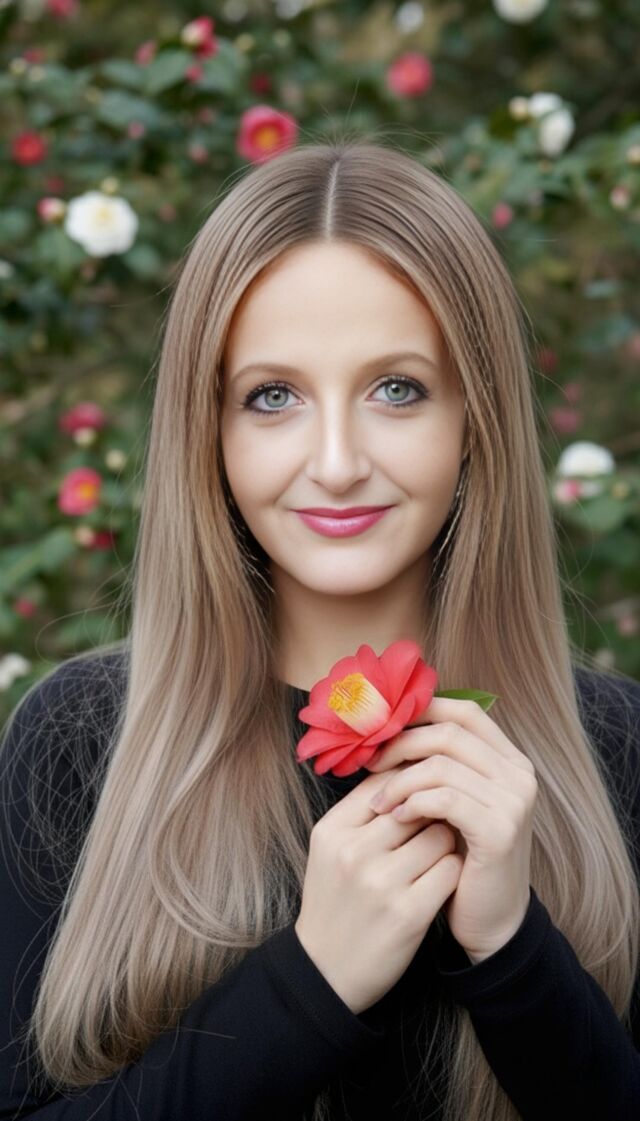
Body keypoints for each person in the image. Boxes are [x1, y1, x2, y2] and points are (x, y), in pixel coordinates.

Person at [1, 137, 639, 1121]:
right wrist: (310, 985)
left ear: (475, 419)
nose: (337, 463)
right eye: (273, 396)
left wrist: (514, 952)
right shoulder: (77, 739)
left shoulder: (619, 748)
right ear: (209, 431)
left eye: (396, 388)